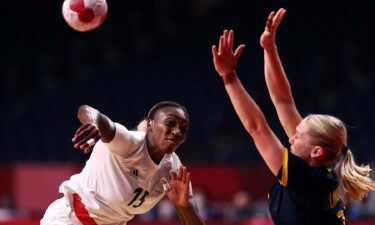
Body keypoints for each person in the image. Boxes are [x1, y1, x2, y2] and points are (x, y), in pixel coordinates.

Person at [211, 9, 375, 225]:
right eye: (295, 133)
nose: (290, 138)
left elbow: (257, 128)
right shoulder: (315, 166)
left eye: (298, 135)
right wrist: (269, 48)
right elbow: (283, 101)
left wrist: (229, 78)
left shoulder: (306, 178)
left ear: (316, 151)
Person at [41, 101, 204, 225]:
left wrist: (184, 206)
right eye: (170, 123)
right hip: (71, 219)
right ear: (150, 125)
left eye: (183, 129)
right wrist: (92, 123)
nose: (177, 131)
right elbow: (89, 112)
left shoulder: (173, 168)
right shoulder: (128, 142)